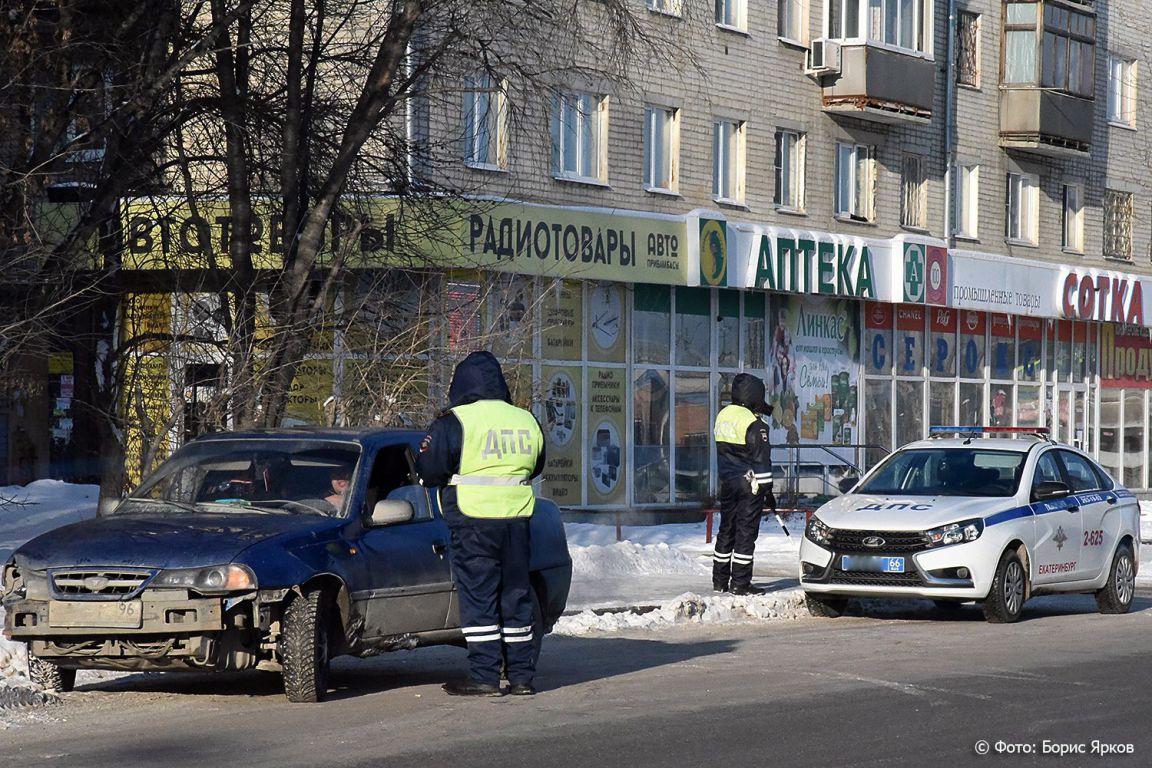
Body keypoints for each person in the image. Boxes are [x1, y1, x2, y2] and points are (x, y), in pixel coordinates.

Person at [415, 351, 545, 697]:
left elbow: (429, 471)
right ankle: (521, 678)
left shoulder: (455, 421)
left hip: (473, 522)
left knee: (480, 598)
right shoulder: (526, 419)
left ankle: (485, 676)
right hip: (516, 522)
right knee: (516, 596)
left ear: (460, 384)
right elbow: (537, 466)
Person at [712, 373, 774, 596]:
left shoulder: (723, 415)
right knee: (746, 533)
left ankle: (719, 580)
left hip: (727, 482)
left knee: (726, 529)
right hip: (750, 486)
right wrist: (767, 490)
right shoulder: (755, 423)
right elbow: (761, 459)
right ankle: (741, 583)